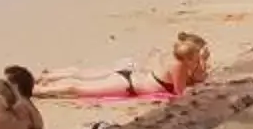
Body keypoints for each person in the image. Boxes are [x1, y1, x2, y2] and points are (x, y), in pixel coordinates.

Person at [36, 32, 211, 100]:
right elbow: (180, 93)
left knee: (82, 77)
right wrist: (200, 65)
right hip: (129, 85)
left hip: (129, 77)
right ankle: (37, 91)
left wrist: (198, 66)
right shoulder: (179, 66)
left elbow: (195, 78)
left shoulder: (173, 57)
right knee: (79, 88)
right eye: (199, 55)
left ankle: (46, 78)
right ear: (191, 56)